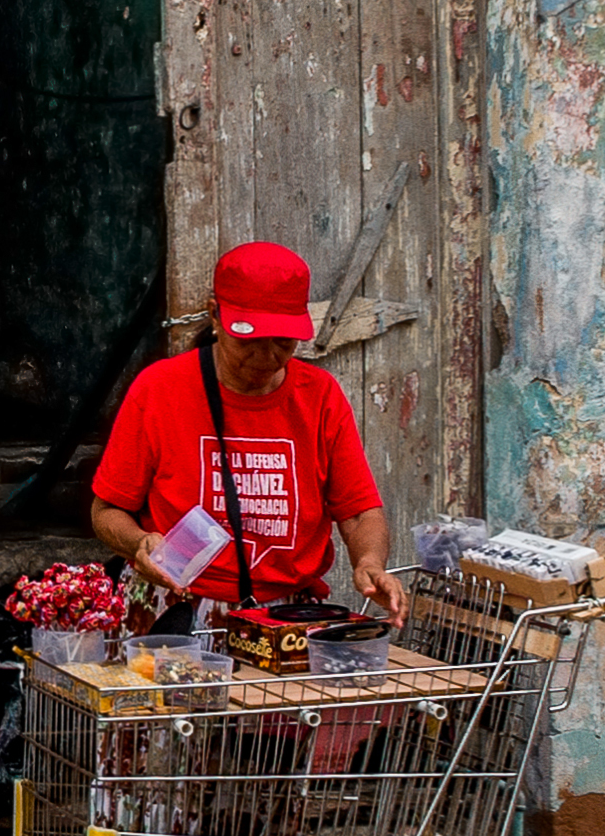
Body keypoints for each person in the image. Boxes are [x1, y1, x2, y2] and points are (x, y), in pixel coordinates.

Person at [87, 239, 412, 631]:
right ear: (215, 316)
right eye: (249, 340)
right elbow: (106, 511)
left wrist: (370, 564)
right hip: (173, 612)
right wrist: (138, 544)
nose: (266, 356)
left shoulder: (321, 396)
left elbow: (359, 513)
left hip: (285, 621)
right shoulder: (159, 389)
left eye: (282, 341)